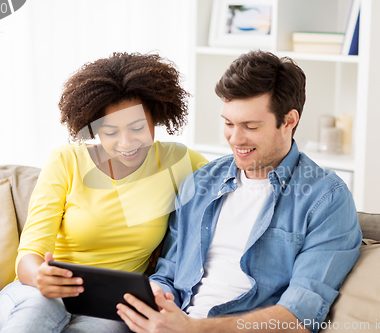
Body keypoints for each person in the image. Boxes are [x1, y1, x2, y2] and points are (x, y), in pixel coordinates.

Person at [116, 50, 362, 333]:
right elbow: (168, 273)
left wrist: (192, 329)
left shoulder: (326, 199)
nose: (235, 138)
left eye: (251, 126)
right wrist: (159, 295)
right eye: (229, 123)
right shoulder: (201, 182)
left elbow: (300, 315)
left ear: (289, 121)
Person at [0, 52, 208, 333]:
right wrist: (39, 276)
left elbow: (235, 179)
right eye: (110, 131)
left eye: (138, 127)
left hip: (110, 307)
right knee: (38, 310)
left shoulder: (178, 161)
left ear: (156, 116)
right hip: (36, 294)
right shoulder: (66, 161)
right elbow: (30, 252)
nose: (126, 142)